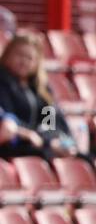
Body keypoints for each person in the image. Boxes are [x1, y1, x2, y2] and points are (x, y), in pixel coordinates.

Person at [0, 31, 79, 162]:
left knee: (84, 158)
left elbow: (50, 120)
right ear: (8, 54)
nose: (24, 61)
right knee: (43, 156)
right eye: (20, 55)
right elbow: (7, 117)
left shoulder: (40, 88)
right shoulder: (2, 82)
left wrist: (51, 140)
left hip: (40, 143)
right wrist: (31, 135)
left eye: (30, 58)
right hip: (15, 144)